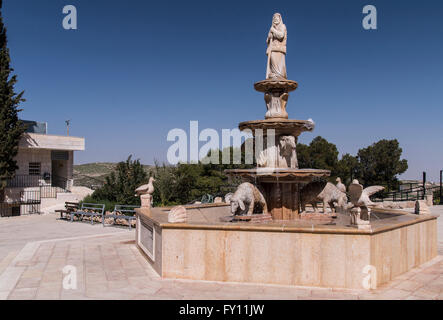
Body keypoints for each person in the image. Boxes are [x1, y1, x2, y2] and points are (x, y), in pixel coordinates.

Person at [266, 13, 287, 79]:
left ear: (280, 19)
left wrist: (273, 30)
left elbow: (281, 35)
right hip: (272, 49)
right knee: (272, 61)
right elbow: (267, 41)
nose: (275, 19)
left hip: (279, 49)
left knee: (278, 63)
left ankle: (279, 75)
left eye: (276, 18)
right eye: (274, 18)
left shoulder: (282, 26)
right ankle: (274, 74)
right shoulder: (272, 28)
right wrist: (269, 37)